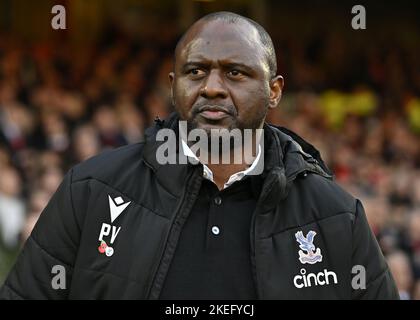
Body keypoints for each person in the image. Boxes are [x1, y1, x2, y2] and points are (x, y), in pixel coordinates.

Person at [0, 11, 398, 300]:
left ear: (274, 91)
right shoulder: (90, 190)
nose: (212, 88)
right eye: (196, 72)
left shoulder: (335, 217)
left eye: (235, 73)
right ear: (174, 86)